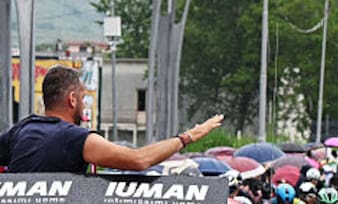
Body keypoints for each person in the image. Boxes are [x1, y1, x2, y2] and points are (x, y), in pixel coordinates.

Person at [0, 65, 222, 174]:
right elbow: (138, 160)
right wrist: (187, 137)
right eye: (84, 98)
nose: (85, 105)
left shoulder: (21, 131)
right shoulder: (76, 139)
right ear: (73, 99)